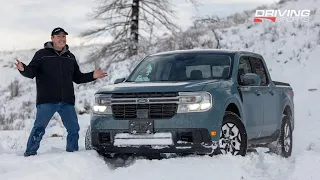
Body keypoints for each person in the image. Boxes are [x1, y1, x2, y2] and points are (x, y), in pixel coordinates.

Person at [15, 27, 107, 157]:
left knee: (74, 129)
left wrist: (93, 75)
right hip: (47, 100)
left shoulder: (70, 57)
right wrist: (22, 68)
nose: (62, 39)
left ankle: (72, 154)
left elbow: (78, 78)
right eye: (59, 36)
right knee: (39, 128)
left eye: (64, 36)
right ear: (52, 38)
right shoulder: (42, 54)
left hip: (66, 101)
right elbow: (31, 73)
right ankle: (30, 153)